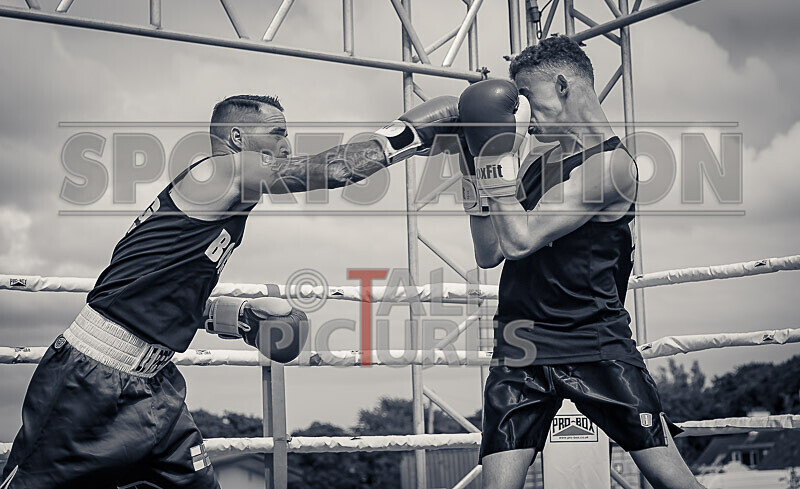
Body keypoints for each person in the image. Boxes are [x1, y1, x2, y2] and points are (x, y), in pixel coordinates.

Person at [1, 94, 458, 489]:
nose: (286, 144)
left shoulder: (220, 204)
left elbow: (158, 290)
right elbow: (335, 170)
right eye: (277, 132)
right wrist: (407, 134)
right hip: (90, 381)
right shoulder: (220, 171)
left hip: (156, 388)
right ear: (238, 138)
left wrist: (235, 317)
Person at [457, 36, 706, 489]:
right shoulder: (537, 162)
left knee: (672, 481)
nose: (527, 121)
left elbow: (520, 239)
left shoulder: (611, 166)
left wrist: (489, 161)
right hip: (521, 348)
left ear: (563, 84)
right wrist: (470, 166)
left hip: (594, 346)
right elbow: (489, 252)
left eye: (530, 101)